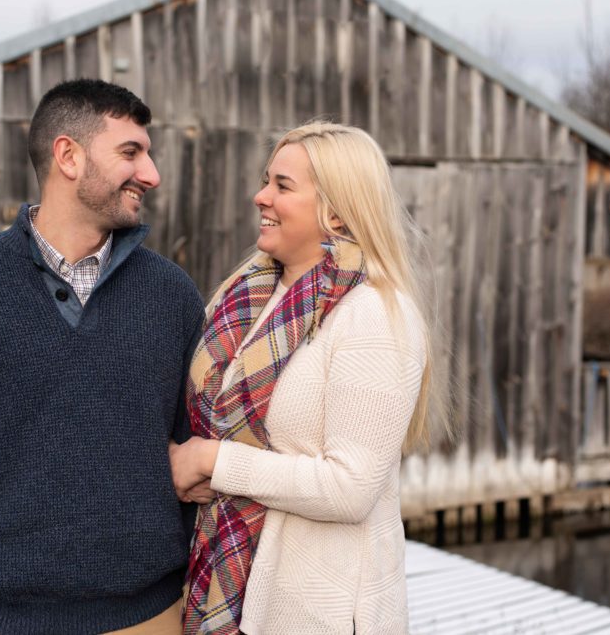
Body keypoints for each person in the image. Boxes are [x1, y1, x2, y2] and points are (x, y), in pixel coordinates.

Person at [0, 79, 206, 635]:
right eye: (131, 153)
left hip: (147, 619)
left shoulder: (173, 297)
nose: (151, 174)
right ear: (69, 156)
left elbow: (193, 453)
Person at [170, 122, 435, 634]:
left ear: (335, 210)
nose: (260, 196)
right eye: (266, 180)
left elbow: (350, 488)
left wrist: (212, 460)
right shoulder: (247, 299)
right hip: (234, 585)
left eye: (282, 186)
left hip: (320, 613)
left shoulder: (374, 314)